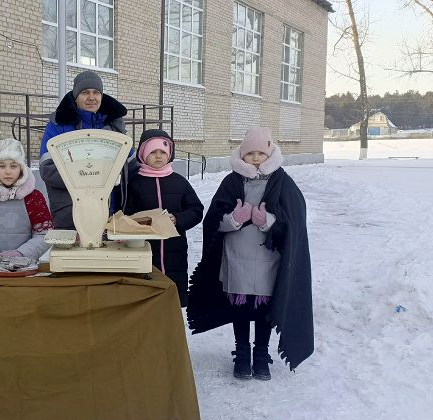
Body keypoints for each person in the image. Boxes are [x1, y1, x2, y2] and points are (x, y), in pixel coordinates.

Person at [186, 127, 313, 380]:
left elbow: (294, 222)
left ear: (270, 154)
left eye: (261, 153)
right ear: (242, 154)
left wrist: (268, 221)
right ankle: (243, 353)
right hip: (237, 257)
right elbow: (213, 221)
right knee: (241, 308)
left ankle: (261, 354)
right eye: (250, 153)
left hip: (269, 261)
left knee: (263, 310)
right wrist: (234, 219)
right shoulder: (232, 182)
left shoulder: (282, 182)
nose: (255, 158)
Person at [122, 129, 203, 307]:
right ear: (143, 154)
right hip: (145, 250)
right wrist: (140, 222)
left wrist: (178, 219)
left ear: (169, 154)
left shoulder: (180, 182)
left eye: (163, 152)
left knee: (172, 299)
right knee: (148, 298)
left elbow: (196, 210)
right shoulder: (134, 184)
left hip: (175, 251)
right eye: (153, 152)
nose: (158, 156)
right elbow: (126, 214)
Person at [39, 70, 129, 229]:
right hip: (70, 213)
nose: (91, 97)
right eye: (85, 92)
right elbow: (47, 169)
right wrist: (91, 177)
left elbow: (130, 164)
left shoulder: (115, 125)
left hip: (110, 213)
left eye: (96, 92)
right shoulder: (58, 125)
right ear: (76, 96)